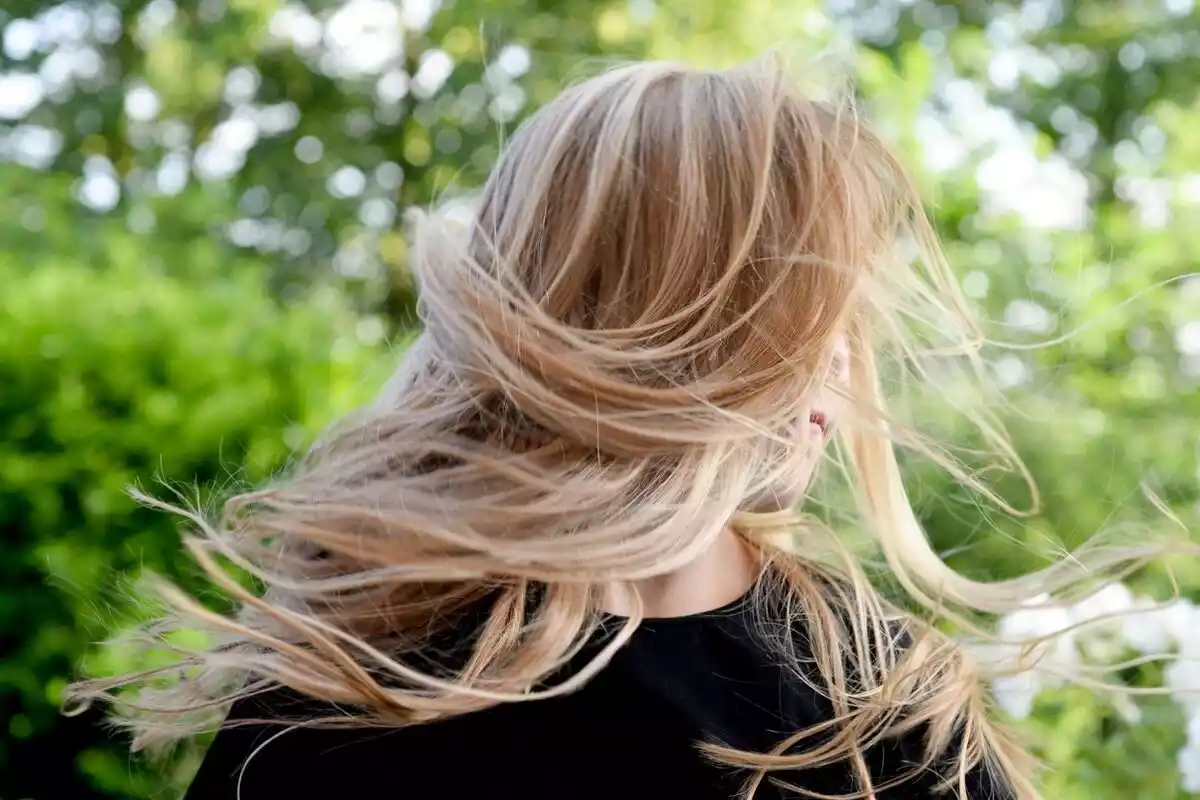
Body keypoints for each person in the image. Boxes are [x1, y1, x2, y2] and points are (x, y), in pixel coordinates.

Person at [69, 55, 1160, 799]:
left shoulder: (883, 704)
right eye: (809, 308)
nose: (841, 357)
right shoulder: (355, 694)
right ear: (676, 329)